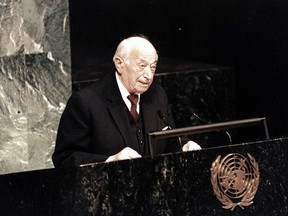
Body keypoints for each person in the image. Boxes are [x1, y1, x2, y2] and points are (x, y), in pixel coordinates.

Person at [52, 35, 201, 168]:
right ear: (119, 63)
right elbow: (64, 158)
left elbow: (170, 139)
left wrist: (184, 145)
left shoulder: (157, 95)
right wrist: (109, 161)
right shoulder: (86, 102)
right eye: (142, 66)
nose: (148, 75)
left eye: (153, 67)